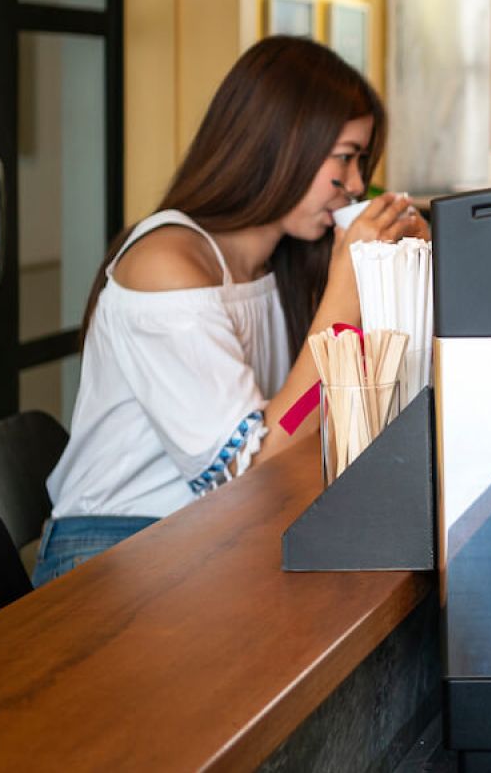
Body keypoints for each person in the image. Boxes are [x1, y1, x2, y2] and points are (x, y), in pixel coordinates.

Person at [36, 37, 428, 585]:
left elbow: (316, 412)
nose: (357, 185)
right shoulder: (165, 265)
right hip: (115, 548)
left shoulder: (283, 262)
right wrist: (344, 304)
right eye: (344, 157)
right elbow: (251, 467)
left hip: (215, 532)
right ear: (278, 145)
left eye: (360, 160)